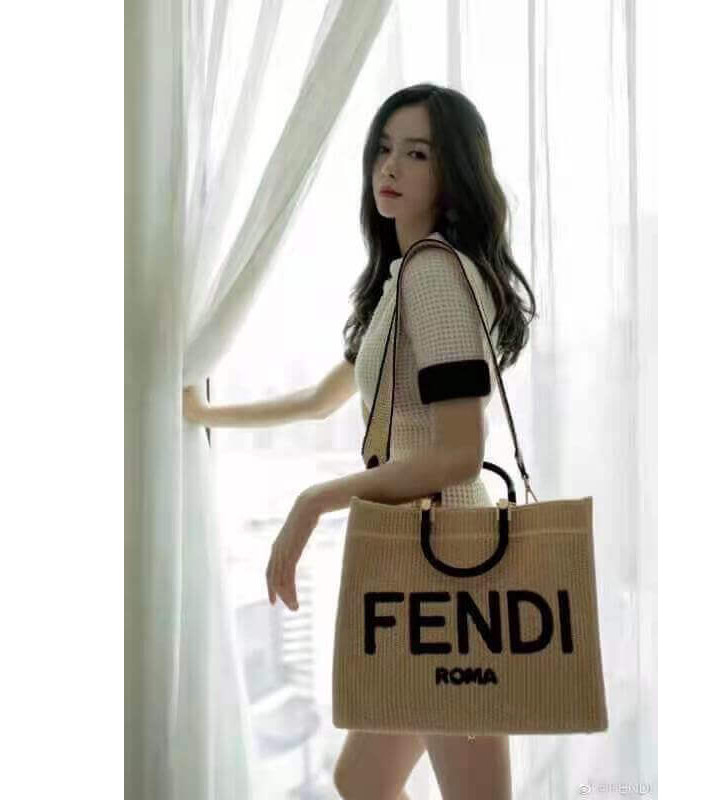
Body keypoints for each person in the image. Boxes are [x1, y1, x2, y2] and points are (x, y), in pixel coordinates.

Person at [184, 82, 536, 800]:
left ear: (453, 171)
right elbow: (323, 398)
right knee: (363, 778)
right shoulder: (405, 279)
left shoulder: (435, 274)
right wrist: (200, 411)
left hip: (448, 566)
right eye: (384, 149)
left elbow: (460, 452)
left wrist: (315, 499)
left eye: (417, 154)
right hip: (419, 562)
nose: (391, 167)